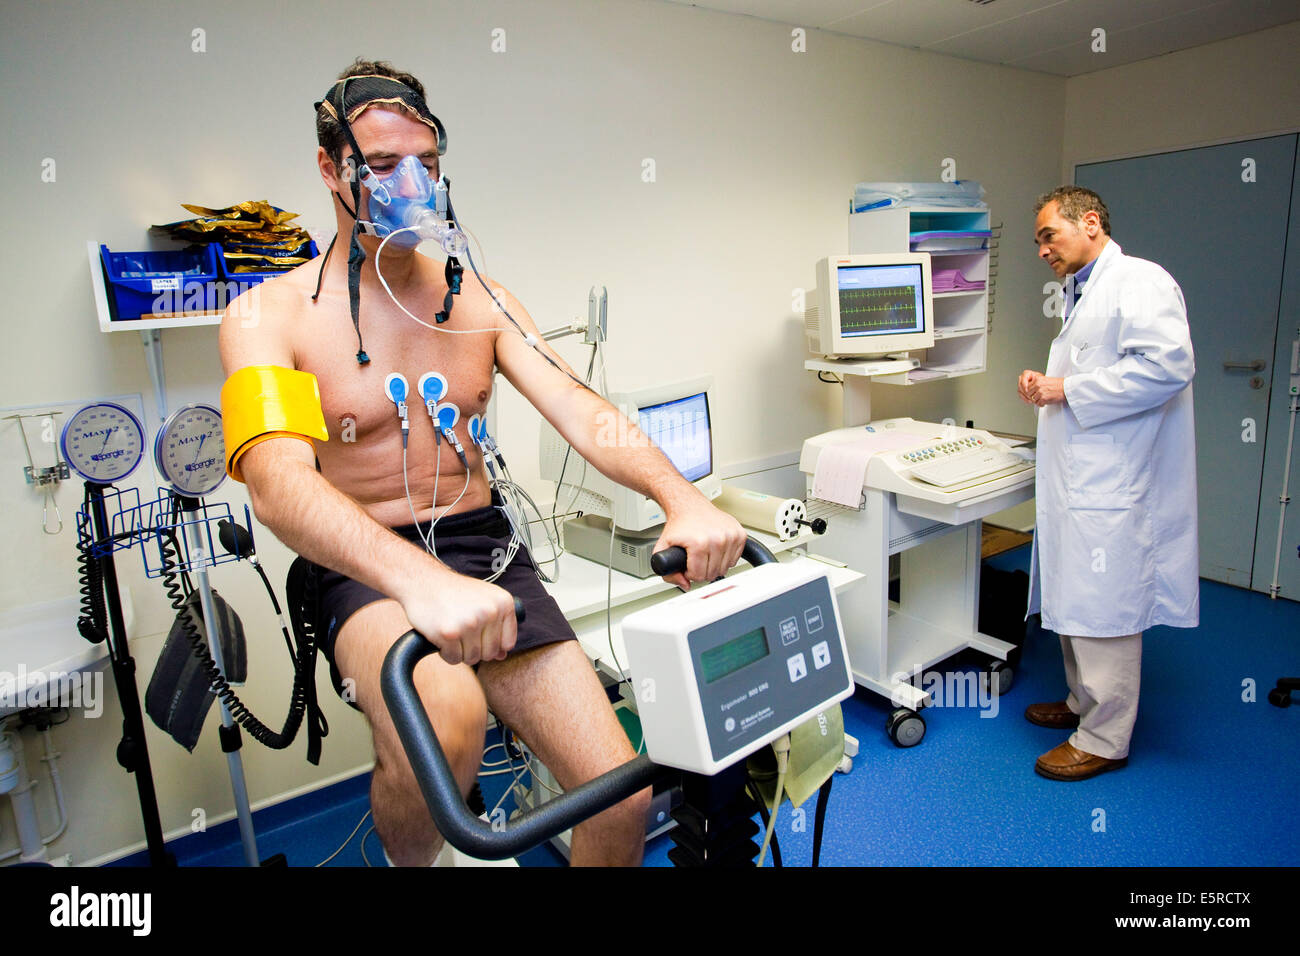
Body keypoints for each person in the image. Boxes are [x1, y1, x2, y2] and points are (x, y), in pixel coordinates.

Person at [218, 59, 746, 865]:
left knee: (620, 790)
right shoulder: (268, 315)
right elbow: (277, 484)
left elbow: (579, 407)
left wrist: (681, 497)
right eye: (385, 165)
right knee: (451, 725)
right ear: (331, 168)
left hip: (484, 545)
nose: (412, 185)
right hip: (366, 563)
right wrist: (417, 581)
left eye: (426, 165)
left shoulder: (481, 299)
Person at [1017, 185, 1199, 781]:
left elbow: (1167, 367)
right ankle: (1080, 703)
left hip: (1115, 486)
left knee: (1106, 607)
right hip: (1084, 482)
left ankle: (1104, 737)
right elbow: (1104, 368)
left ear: (1089, 222)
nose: (1043, 249)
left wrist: (1066, 388)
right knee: (1074, 598)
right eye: (1039, 241)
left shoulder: (1139, 282)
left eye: (1050, 235)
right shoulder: (1084, 291)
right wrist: (1049, 381)